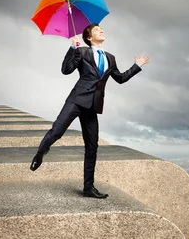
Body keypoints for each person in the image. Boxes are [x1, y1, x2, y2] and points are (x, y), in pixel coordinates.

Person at [30, 23, 150, 199]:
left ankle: (88, 187)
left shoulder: (111, 57)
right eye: (96, 30)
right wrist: (72, 48)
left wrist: (136, 66)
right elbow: (66, 70)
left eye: (101, 29)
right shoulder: (82, 51)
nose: (101, 31)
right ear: (89, 37)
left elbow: (121, 78)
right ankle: (40, 153)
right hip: (77, 100)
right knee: (56, 131)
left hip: (93, 106)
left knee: (92, 146)